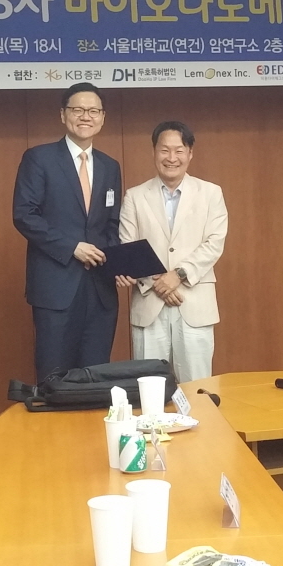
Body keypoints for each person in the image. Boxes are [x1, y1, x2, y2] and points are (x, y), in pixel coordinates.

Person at [12, 83, 122, 383]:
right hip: (56, 288)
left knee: (96, 378)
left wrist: (118, 264)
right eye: (77, 110)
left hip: (100, 291)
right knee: (54, 378)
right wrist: (72, 247)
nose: (86, 116)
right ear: (63, 115)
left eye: (93, 111)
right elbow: (24, 215)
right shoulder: (39, 158)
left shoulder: (110, 166)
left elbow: (112, 224)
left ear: (103, 117)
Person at [115, 121, 228, 383]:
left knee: (197, 386)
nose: (171, 158)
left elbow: (214, 242)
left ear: (190, 153)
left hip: (194, 303)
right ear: (154, 152)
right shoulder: (135, 196)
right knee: (148, 387)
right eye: (164, 150)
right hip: (149, 303)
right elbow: (128, 246)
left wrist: (177, 275)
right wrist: (157, 283)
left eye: (179, 150)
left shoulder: (211, 193)